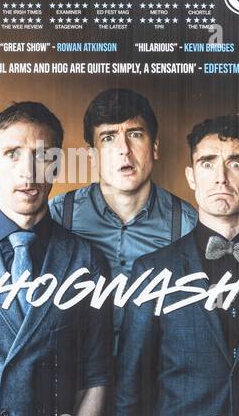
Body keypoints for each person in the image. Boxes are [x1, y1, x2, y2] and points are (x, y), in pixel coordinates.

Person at [115, 115, 239, 416]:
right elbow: (129, 388)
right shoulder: (150, 271)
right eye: (207, 163)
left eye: (235, 163)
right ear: (191, 176)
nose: (221, 178)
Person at [0, 101, 112, 416]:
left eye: (43, 156)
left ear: (57, 166)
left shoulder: (86, 260)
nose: (28, 171)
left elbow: (96, 376)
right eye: (12, 153)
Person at [49, 88, 196, 276]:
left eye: (135, 134)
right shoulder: (59, 214)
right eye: (109, 138)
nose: (124, 149)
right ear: (93, 156)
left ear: (155, 148)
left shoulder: (185, 222)